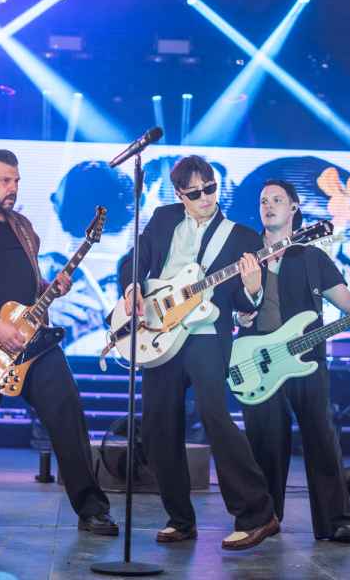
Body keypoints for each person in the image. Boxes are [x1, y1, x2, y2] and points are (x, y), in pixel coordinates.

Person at [0, 149, 117, 536]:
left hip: (34, 342)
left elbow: (27, 288)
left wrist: (52, 288)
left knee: (67, 412)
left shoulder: (23, 226)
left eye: (16, 180)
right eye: (5, 180)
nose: (13, 187)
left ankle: (92, 509)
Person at [120, 155, 279, 550]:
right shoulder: (162, 219)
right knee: (157, 427)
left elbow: (243, 303)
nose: (205, 197)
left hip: (206, 334)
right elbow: (133, 261)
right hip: (160, 333)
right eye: (195, 193)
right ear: (180, 195)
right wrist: (132, 286)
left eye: (210, 189)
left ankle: (258, 514)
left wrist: (254, 288)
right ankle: (180, 519)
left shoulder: (241, 236)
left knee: (214, 417)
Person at [236, 179, 350, 542]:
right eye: (264, 200)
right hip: (258, 361)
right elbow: (231, 309)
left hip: (307, 359)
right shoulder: (245, 256)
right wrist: (242, 313)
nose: (268, 206)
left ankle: (336, 520)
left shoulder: (312, 257)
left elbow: (348, 303)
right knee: (265, 443)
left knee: (322, 440)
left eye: (277, 199)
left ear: (293, 208)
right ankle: (265, 518)